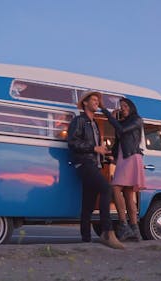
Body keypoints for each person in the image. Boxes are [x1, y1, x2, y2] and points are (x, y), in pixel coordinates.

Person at [67, 90, 125, 250]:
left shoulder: (95, 125)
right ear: (85, 103)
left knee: (89, 204)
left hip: (95, 165)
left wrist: (106, 156)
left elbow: (96, 149)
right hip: (84, 164)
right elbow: (72, 142)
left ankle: (85, 239)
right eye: (93, 99)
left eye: (97, 100)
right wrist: (94, 148)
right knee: (107, 188)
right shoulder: (79, 121)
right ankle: (107, 232)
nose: (96, 102)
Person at [101, 98, 145, 241]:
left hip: (131, 157)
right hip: (124, 158)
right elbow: (118, 142)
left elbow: (121, 130)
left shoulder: (137, 119)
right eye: (121, 106)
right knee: (127, 194)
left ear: (132, 107)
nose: (123, 108)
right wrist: (112, 155)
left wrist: (107, 114)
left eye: (125, 106)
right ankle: (135, 230)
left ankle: (124, 226)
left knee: (115, 188)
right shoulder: (123, 123)